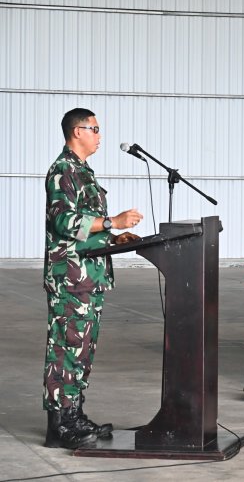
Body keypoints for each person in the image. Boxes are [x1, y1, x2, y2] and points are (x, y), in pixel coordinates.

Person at [43, 108, 143, 449]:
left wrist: (113, 238)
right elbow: (63, 223)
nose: (100, 135)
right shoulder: (63, 171)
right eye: (95, 128)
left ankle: (74, 414)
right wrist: (112, 222)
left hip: (90, 276)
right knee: (66, 349)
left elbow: (88, 228)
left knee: (83, 350)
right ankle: (59, 424)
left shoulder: (83, 171)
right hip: (69, 276)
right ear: (77, 131)